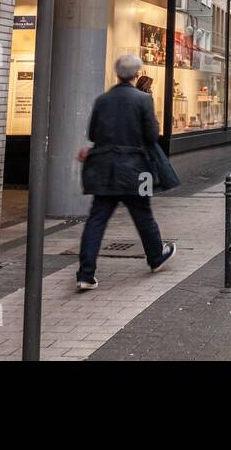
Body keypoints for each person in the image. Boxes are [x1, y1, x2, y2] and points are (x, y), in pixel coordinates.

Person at [75, 54, 176, 291]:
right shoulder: (143, 100)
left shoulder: (103, 100)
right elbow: (152, 135)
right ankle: (156, 257)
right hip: (135, 169)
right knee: (143, 213)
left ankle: (85, 274)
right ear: (136, 74)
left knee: (96, 220)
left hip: (105, 169)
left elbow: (92, 134)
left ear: (117, 73)